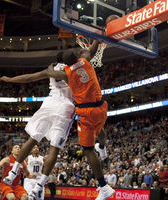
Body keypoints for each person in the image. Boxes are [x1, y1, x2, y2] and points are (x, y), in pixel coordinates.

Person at [0, 52, 76, 200]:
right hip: (65, 106)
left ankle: (14, 170)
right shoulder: (74, 68)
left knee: (33, 138)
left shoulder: (51, 69)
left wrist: (9, 79)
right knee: (55, 147)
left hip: (49, 103)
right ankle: (41, 183)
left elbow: (29, 77)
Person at [45, 40, 115, 200]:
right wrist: (99, 37)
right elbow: (92, 49)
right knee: (100, 130)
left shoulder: (66, 73)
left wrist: (52, 65)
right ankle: (103, 148)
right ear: (77, 56)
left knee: (88, 150)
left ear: (64, 63)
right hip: (101, 107)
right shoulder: (85, 60)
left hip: (86, 111)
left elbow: (50, 73)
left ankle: (104, 187)